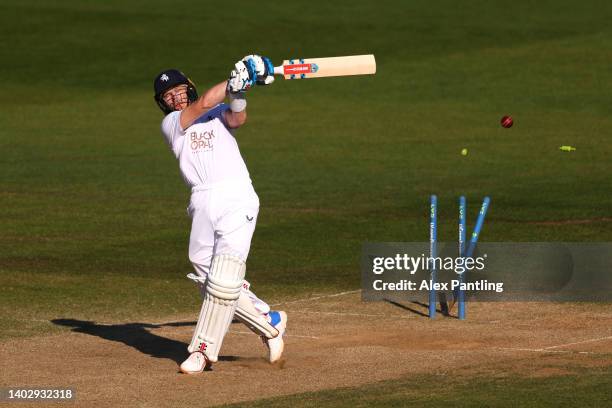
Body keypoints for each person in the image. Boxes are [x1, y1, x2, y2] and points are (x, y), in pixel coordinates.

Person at [153, 55, 287, 374]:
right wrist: (234, 80)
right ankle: (269, 321)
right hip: (201, 199)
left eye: (179, 90)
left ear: (189, 87)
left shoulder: (216, 113)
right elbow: (200, 106)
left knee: (225, 274)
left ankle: (202, 351)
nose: (175, 97)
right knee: (206, 275)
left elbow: (238, 119)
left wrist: (240, 90)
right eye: (168, 96)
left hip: (236, 194)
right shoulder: (173, 123)